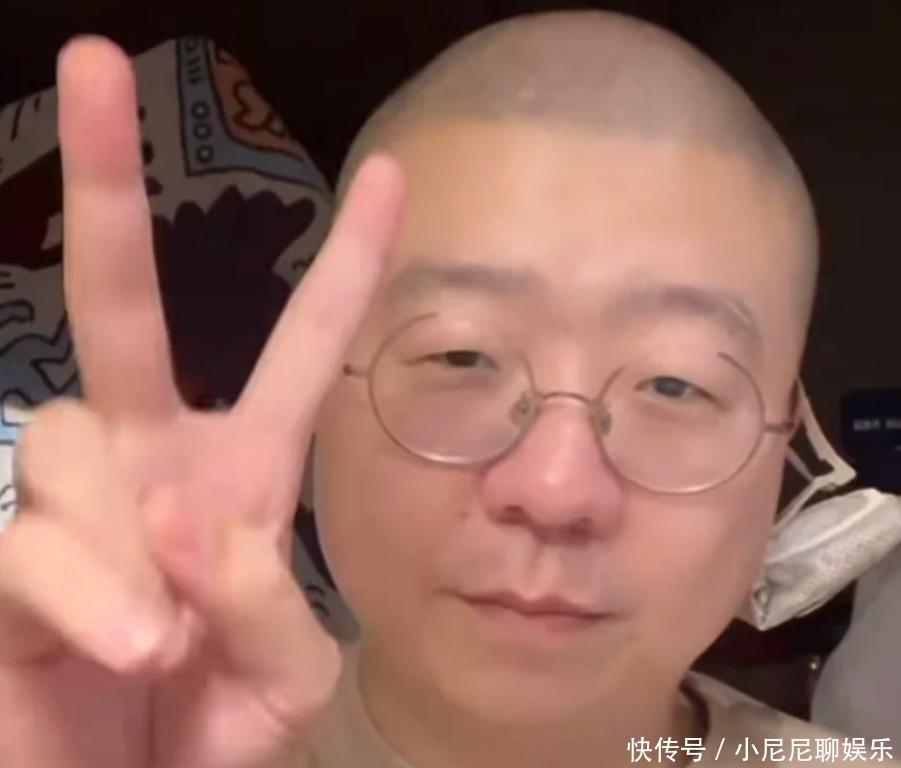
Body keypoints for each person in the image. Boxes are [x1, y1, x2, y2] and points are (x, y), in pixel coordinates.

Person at [0, 9, 878, 768]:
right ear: (319, 397)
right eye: (461, 357)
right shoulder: (139, 736)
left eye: (674, 384)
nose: (555, 488)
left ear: (784, 452)